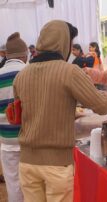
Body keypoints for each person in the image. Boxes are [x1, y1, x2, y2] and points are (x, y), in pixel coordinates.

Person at [13, 20, 107, 201]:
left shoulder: (22, 75)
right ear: (64, 43)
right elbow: (102, 106)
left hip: (27, 161)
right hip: (57, 164)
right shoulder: (69, 71)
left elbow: (27, 112)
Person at [0, 32, 28, 202]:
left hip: (6, 140)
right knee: (32, 188)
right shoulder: (29, 72)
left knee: (13, 186)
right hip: (29, 139)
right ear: (24, 55)